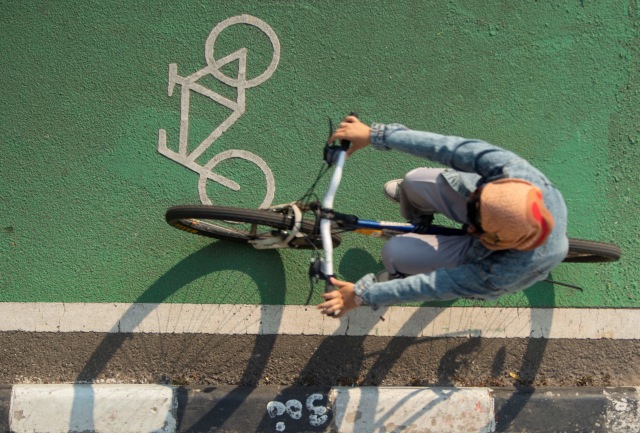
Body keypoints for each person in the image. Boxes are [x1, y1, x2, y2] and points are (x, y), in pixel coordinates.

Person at [318, 116, 568, 318]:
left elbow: (436, 286)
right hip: (496, 222)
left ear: (498, 241)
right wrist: (374, 135)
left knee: (394, 253)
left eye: (477, 228)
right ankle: (416, 206)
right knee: (414, 180)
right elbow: (448, 148)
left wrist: (365, 295)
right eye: (475, 203)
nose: (469, 227)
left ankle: (399, 274)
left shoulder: (500, 272)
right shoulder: (510, 171)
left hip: (482, 258)